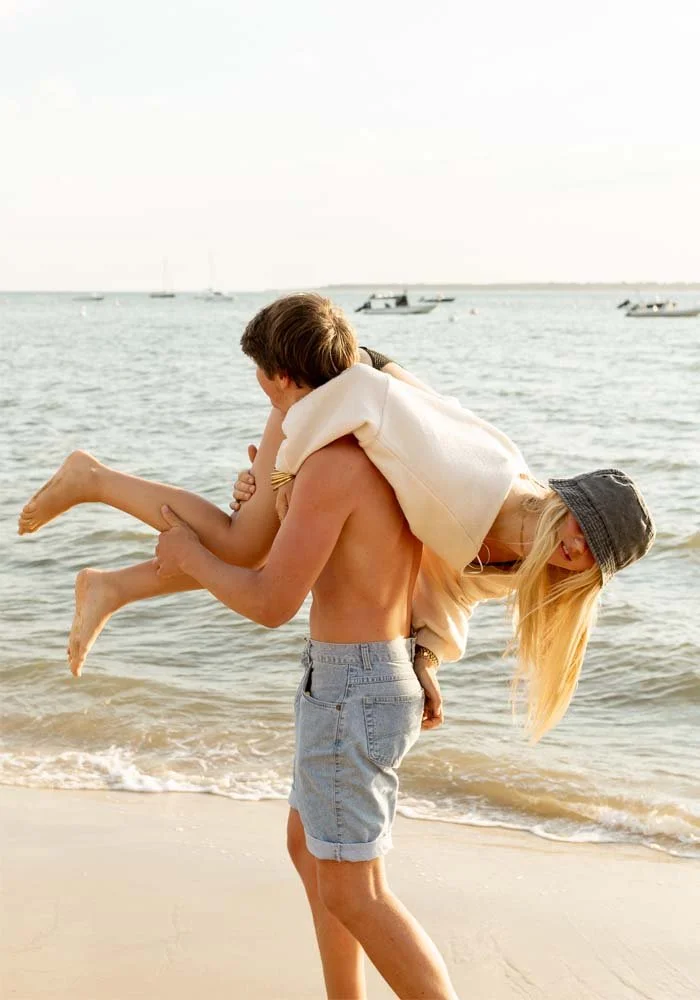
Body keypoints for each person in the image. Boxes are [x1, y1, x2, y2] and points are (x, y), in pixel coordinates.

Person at [18, 294, 655, 740]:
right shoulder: (482, 476)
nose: (578, 549)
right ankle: (92, 480)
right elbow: (369, 397)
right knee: (247, 543)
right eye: (584, 527)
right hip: (332, 386)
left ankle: (111, 585)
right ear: (569, 502)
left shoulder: (521, 563)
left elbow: (450, 596)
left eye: (594, 555)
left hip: (350, 417)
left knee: (271, 549)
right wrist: (282, 475)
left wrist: (425, 662)